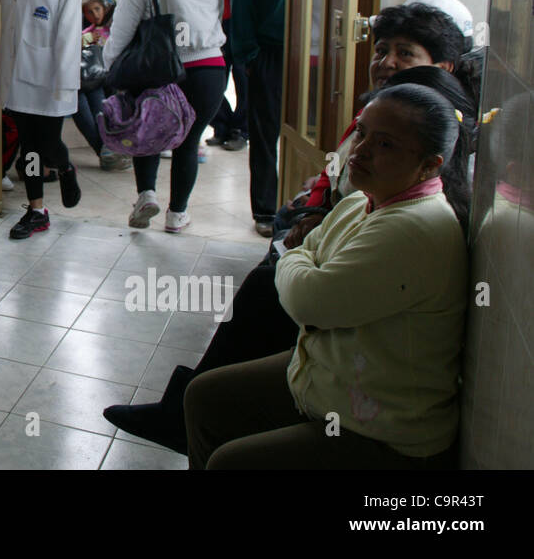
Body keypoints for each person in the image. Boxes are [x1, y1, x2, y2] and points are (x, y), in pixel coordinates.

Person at [102, 1, 474, 453]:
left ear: (444, 65)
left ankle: (197, 417)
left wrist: (300, 251)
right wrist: (309, 223)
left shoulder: (429, 151)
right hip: (326, 275)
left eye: (405, 52)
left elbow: (310, 293)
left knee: (265, 288)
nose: (387, 62)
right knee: (263, 285)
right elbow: (342, 192)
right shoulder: (384, 118)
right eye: (382, 49)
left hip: (368, 398)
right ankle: (188, 409)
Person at [184, 83, 470, 469]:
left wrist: (299, 263)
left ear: (430, 164)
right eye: (362, 133)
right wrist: (303, 261)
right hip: (333, 380)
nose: (361, 150)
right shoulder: (360, 202)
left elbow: (308, 300)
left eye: (385, 145)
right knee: (206, 396)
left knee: (232, 462)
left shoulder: (416, 227)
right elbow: (301, 256)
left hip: (382, 429)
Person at [102, 0, 226, 234]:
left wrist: (110, 65)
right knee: (189, 141)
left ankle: (146, 196)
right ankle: (177, 215)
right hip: (210, 69)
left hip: (160, 68)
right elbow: (216, 15)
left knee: (150, 132)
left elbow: (123, 30)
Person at [0, 0, 85, 239]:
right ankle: (37, 210)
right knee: (29, 147)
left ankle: (64, 166)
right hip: (16, 74)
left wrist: (65, 79)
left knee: (48, 144)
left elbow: (68, 28)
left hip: (49, 74)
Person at [232, 0, 290, 236]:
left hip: (310, 53)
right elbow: (242, 3)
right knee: (265, 134)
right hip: (267, 51)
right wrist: (249, 55)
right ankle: (266, 210)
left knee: (307, 136)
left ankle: (305, 204)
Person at [200, 0, 247, 151]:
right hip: (209, 26)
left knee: (242, 79)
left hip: (236, 26)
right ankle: (221, 125)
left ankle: (240, 130)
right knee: (214, 79)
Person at [73, 0, 132, 172]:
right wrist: (86, 40)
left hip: (105, 81)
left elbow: (122, 11)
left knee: (102, 115)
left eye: (97, 9)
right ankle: (107, 153)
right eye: (89, 12)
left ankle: (110, 150)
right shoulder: (87, 33)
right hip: (87, 79)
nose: (95, 14)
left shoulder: (112, 27)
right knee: (89, 115)